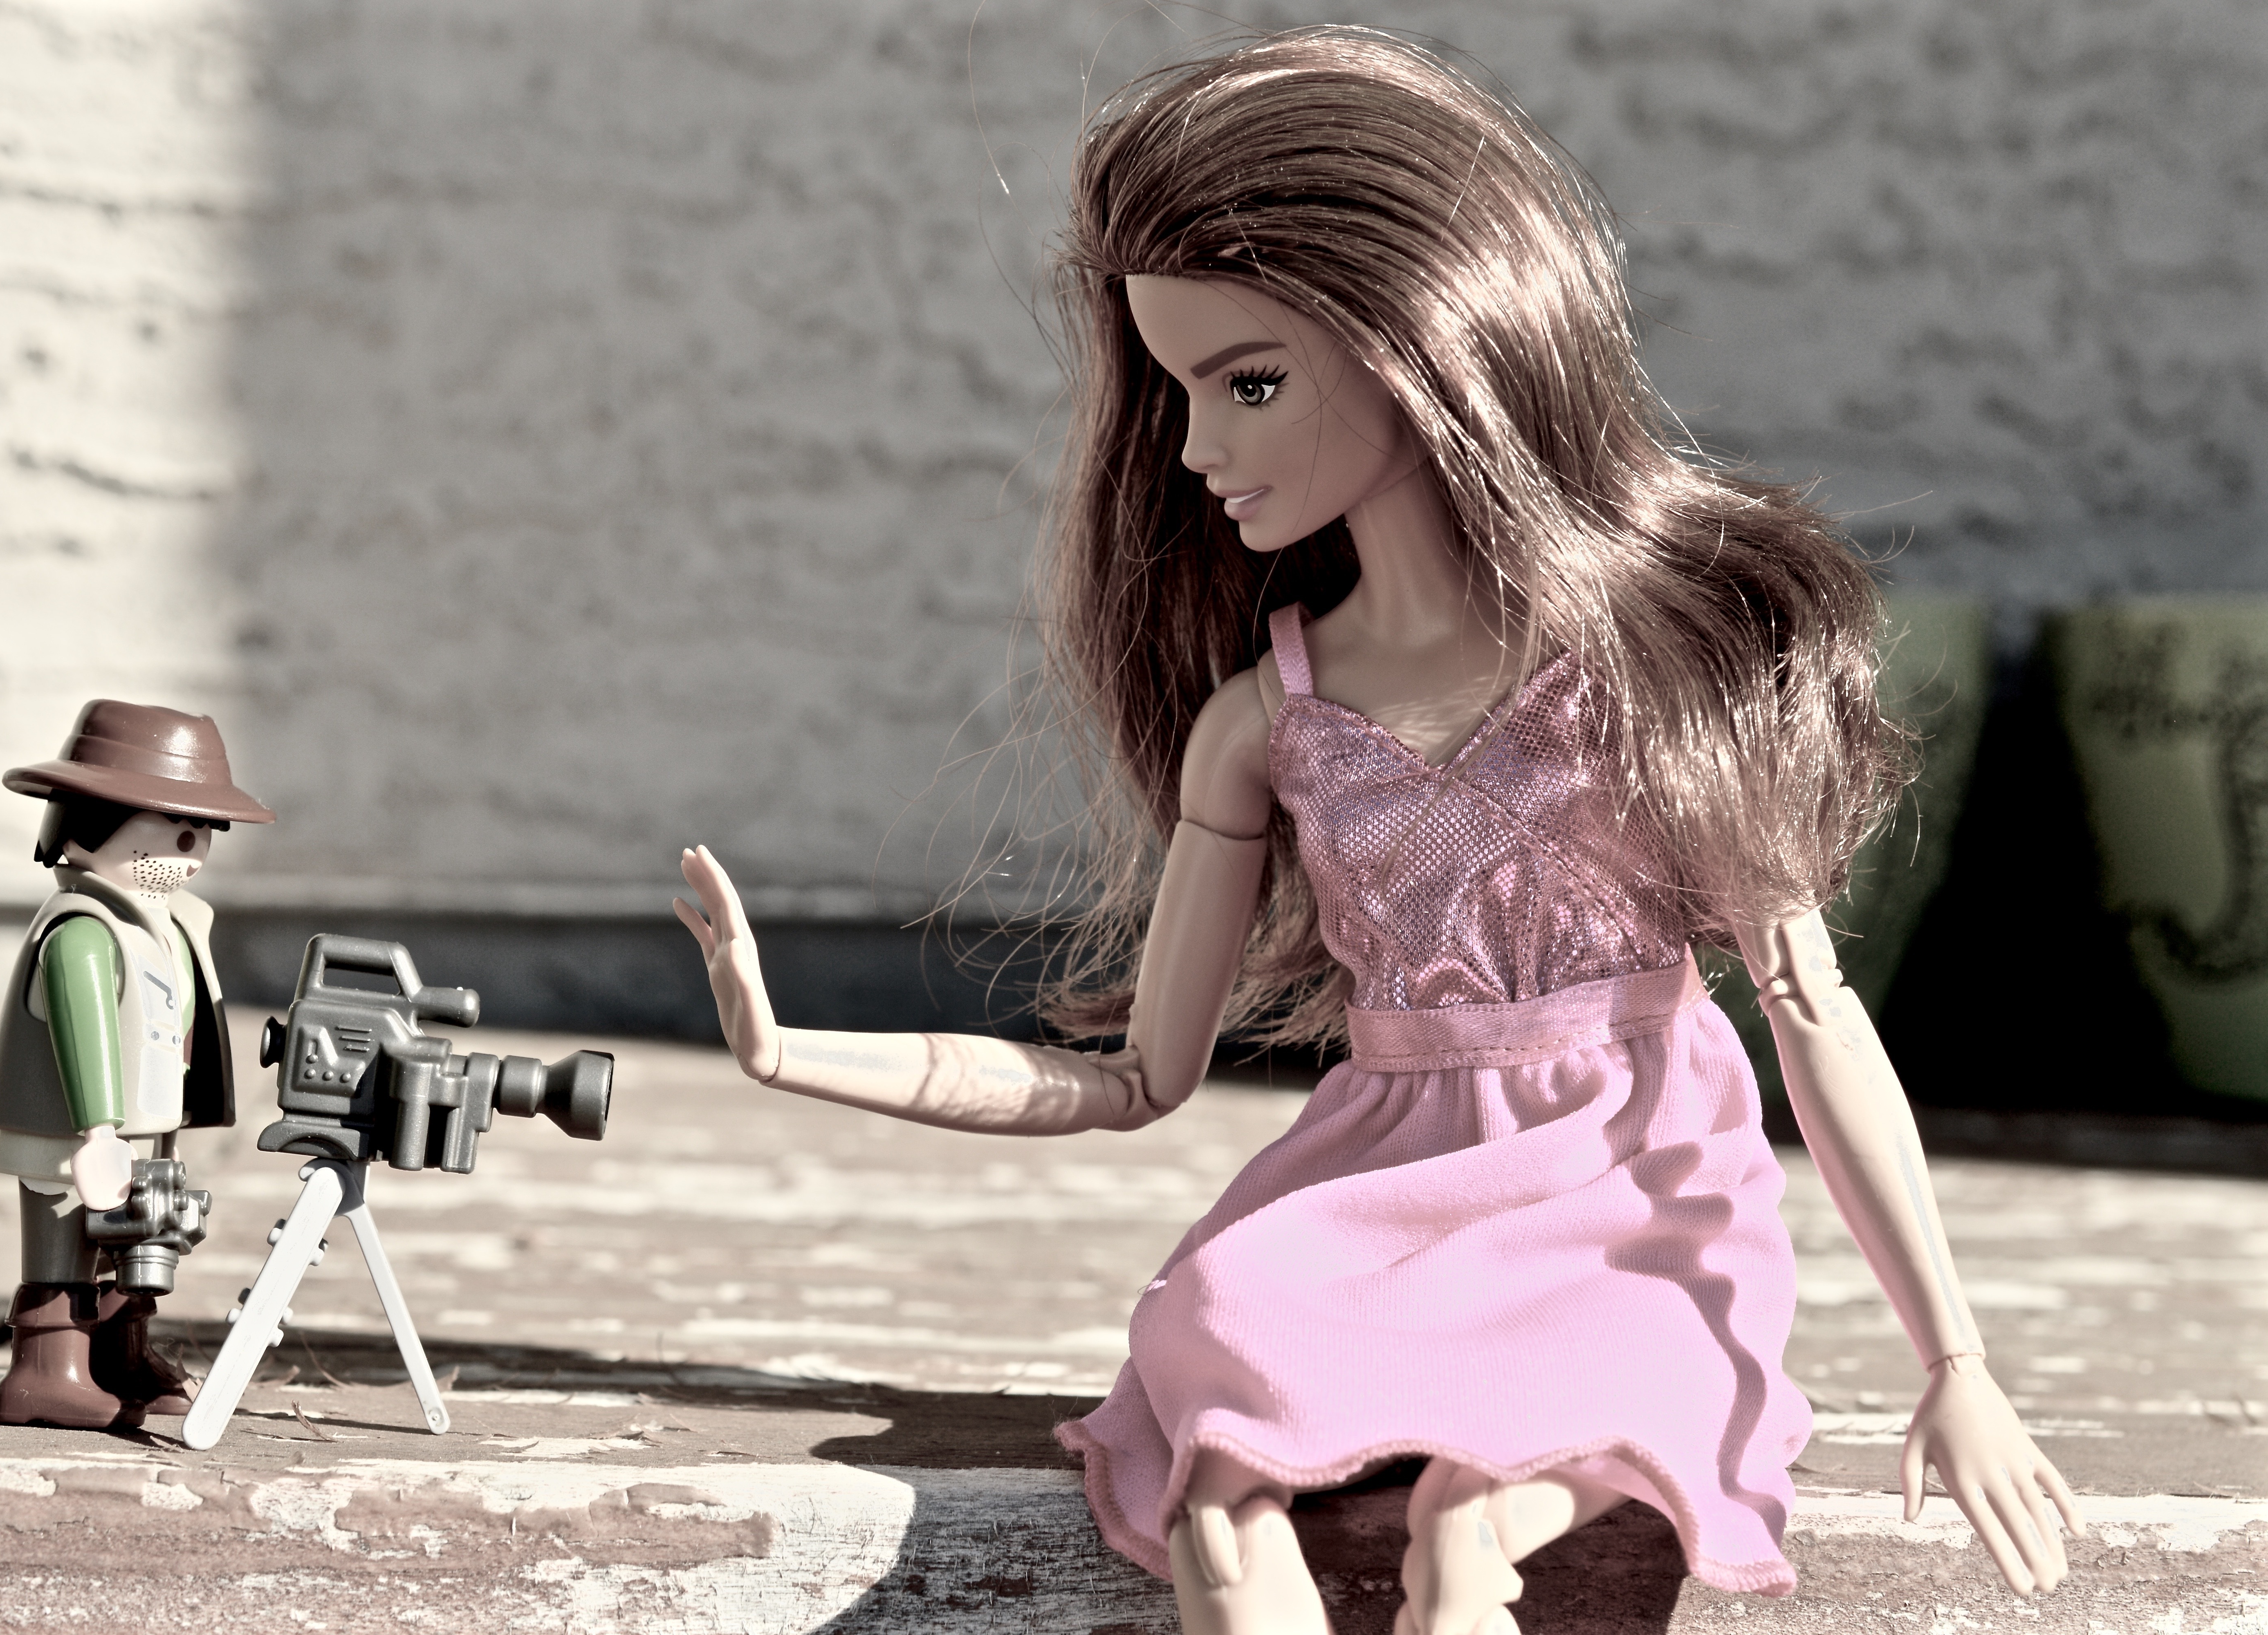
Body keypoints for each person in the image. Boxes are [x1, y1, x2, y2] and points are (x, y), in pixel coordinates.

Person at [675, 29, 2082, 1634]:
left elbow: (1811, 1016)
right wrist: (789, 1051)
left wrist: (1955, 1359)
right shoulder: (1262, 724)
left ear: (1421, 341)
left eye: (1248, 384)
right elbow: (1138, 1082)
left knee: (1473, 1528)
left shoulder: (1647, 673)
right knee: (1219, 1460)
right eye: (1179, 392)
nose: (1195, 450)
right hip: (1369, 1197)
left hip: (1626, 1196)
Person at [0, 699, 274, 1427]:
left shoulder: (170, 924)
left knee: (137, 1240)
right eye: (172, 825)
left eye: (204, 829)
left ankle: (118, 1356)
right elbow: (84, 1033)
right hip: (72, 1131)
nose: (192, 846)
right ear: (90, 821)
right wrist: (99, 1132)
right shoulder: (84, 931)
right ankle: (44, 1372)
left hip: (142, 1127)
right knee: (63, 1240)